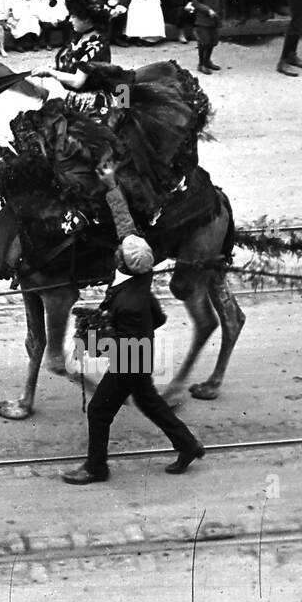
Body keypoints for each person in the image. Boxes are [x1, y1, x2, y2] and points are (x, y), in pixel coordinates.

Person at [60, 168, 204, 485]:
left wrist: (90, 340)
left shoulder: (129, 303)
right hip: (138, 348)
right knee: (148, 400)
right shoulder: (139, 269)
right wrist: (111, 183)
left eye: (119, 252)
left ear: (122, 263)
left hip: (131, 358)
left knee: (99, 410)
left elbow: (124, 344)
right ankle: (188, 445)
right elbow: (125, 225)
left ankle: (96, 468)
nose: (117, 247)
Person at [190, 0, 226, 74]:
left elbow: (222, 1)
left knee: (212, 41)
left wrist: (222, 15)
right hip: (203, 20)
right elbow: (196, 2)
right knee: (204, 42)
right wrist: (208, 10)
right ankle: (201, 64)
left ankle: (207, 61)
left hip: (215, 19)